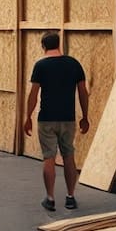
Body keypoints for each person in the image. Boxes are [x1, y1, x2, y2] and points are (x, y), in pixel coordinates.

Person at [23, 31, 90, 211]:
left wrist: (28, 117)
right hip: (68, 118)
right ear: (59, 44)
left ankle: (50, 198)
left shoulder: (41, 66)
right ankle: (70, 197)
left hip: (47, 119)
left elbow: (33, 94)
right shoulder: (74, 64)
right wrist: (85, 116)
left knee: (49, 157)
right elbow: (83, 92)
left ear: (43, 46)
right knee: (68, 155)